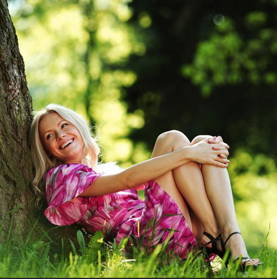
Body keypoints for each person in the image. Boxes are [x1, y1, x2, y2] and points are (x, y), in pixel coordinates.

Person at [30, 103, 261, 269]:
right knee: (171, 140)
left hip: (170, 227)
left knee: (204, 142)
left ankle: (229, 238)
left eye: (64, 125)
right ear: (46, 149)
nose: (60, 136)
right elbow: (128, 180)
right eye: (49, 136)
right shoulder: (60, 177)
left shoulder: (100, 170)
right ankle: (219, 236)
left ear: (78, 127)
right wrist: (189, 153)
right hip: (149, 241)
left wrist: (196, 151)